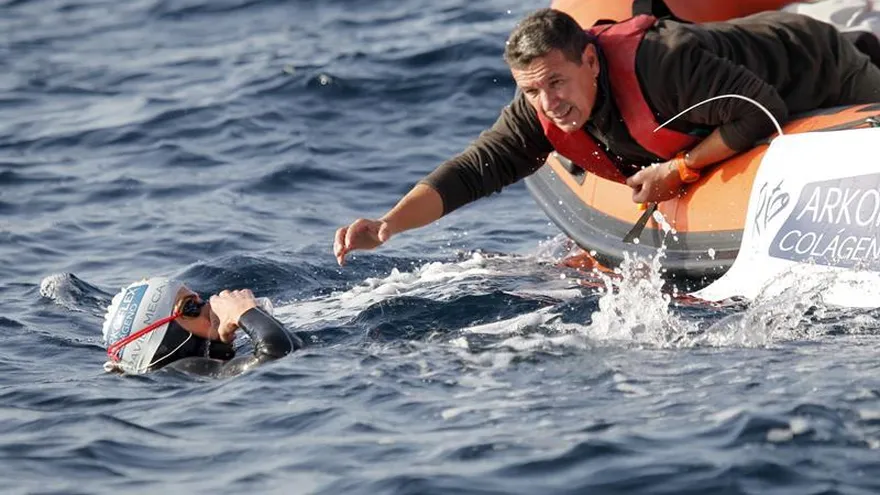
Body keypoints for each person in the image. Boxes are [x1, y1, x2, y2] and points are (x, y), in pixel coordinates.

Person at [333, 6, 880, 266]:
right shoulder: (541, 111)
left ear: (591, 61)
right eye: (531, 91)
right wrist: (388, 225)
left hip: (817, 63)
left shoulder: (664, 65)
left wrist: (679, 171)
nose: (549, 103)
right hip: (758, 79)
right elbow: (474, 169)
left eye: (556, 82)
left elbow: (762, 111)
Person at [101, 277, 303, 377]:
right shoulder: (182, 370)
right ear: (163, 336)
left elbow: (293, 349)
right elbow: (277, 357)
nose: (208, 308)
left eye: (200, 300)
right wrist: (244, 311)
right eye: (191, 307)